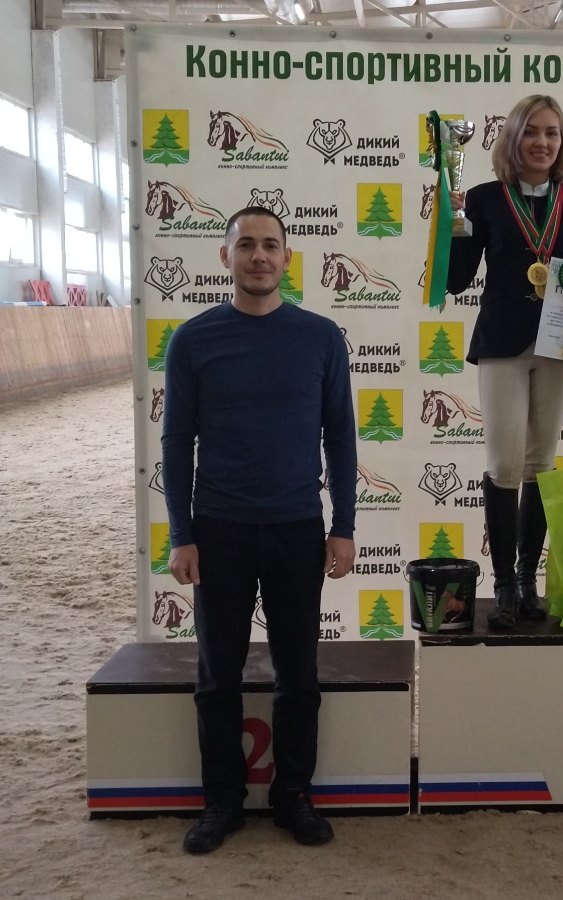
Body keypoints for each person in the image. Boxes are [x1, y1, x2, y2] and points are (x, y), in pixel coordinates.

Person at [161, 206, 356, 854]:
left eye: (270, 245)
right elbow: (175, 442)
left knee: (298, 673)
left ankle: (293, 795)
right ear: (226, 257)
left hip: (298, 528)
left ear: (287, 258)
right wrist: (181, 534)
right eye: (245, 245)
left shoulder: (321, 337)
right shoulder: (192, 340)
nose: (259, 256)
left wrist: (344, 526)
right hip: (219, 530)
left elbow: (341, 438)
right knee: (218, 675)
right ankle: (222, 802)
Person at [448, 95, 563, 629]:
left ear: (562, 142)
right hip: (502, 342)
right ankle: (501, 584)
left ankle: (526, 582)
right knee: (505, 465)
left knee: (542, 464)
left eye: (552, 133)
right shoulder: (482, 199)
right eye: (531, 132)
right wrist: (451, 224)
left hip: (558, 343)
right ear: (513, 138)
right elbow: (456, 281)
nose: (542, 142)